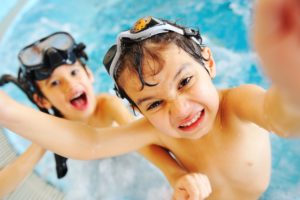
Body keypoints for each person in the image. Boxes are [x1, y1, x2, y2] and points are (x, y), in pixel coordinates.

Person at [0, 8, 299, 200]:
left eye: (184, 82)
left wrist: (288, 80)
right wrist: (9, 112)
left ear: (208, 62)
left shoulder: (237, 104)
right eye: (153, 104)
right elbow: (90, 142)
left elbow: (279, 119)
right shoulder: (157, 131)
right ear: (137, 110)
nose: (180, 109)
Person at [0, 31, 202, 199]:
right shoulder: (54, 130)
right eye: (54, 83)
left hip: (139, 171)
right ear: (42, 101)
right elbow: (8, 181)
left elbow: (144, 142)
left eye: (74, 73)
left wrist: (174, 174)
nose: (71, 85)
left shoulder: (108, 105)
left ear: (89, 74)